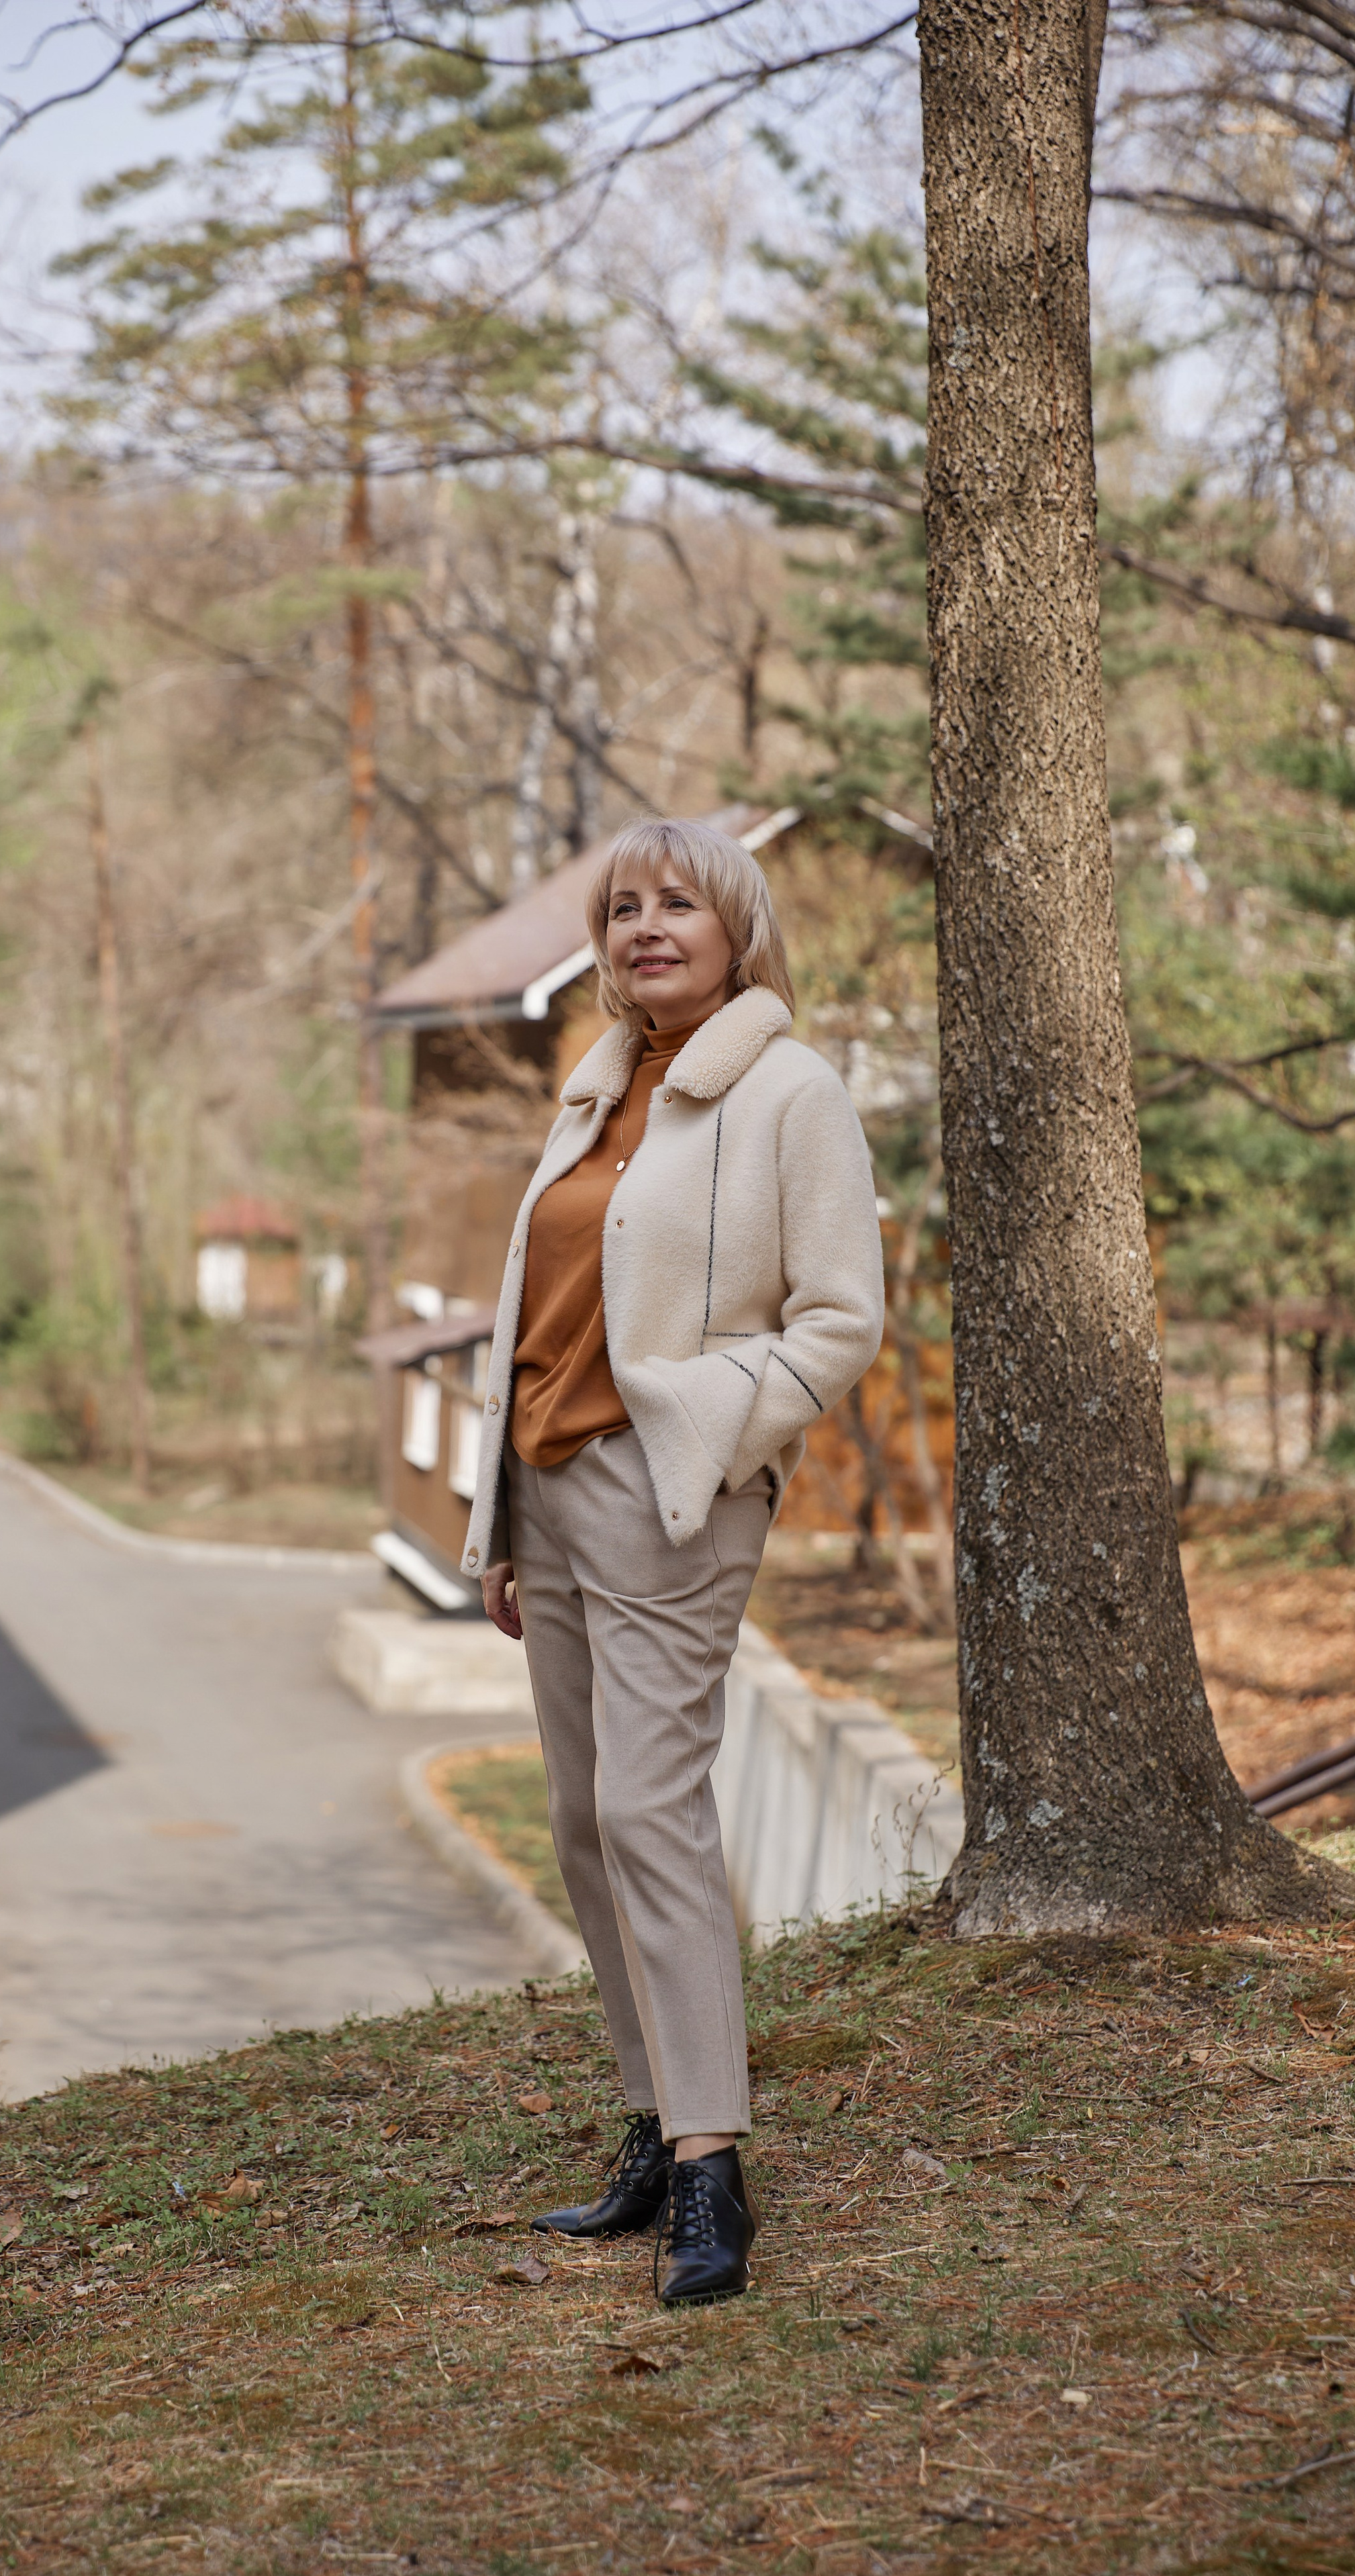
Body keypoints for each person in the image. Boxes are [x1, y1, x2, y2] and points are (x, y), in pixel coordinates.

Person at [462, 816, 884, 2303]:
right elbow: (534, 1314)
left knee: (649, 1807)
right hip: (549, 1492)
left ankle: (713, 2166)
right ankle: (651, 2122)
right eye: (621, 907)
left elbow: (840, 1320)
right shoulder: (594, 1091)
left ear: (737, 929)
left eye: (677, 904)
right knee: (584, 1820)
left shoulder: (789, 1091)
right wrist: (500, 1522)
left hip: (670, 1494)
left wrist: (704, 1424)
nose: (645, 927)